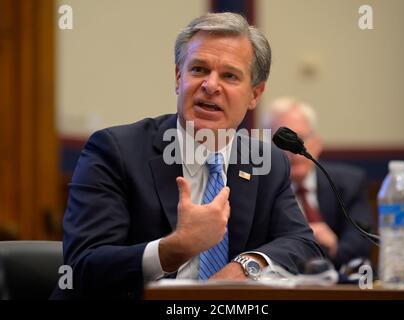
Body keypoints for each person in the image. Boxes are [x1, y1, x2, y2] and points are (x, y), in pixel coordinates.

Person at [56, 13, 323, 299]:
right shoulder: (115, 151)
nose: (210, 85)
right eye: (198, 69)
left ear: (255, 94)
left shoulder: (265, 162)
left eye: (229, 76)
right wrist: (174, 248)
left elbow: (302, 244)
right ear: (178, 77)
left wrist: (247, 266)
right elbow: (82, 267)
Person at [269, 97, 374, 269]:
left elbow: (362, 240)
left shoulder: (349, 182)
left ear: (317, 143)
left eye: (299, 139)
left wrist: (334, 246)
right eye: (283, 142)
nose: (292, 151)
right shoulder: (262, 190)